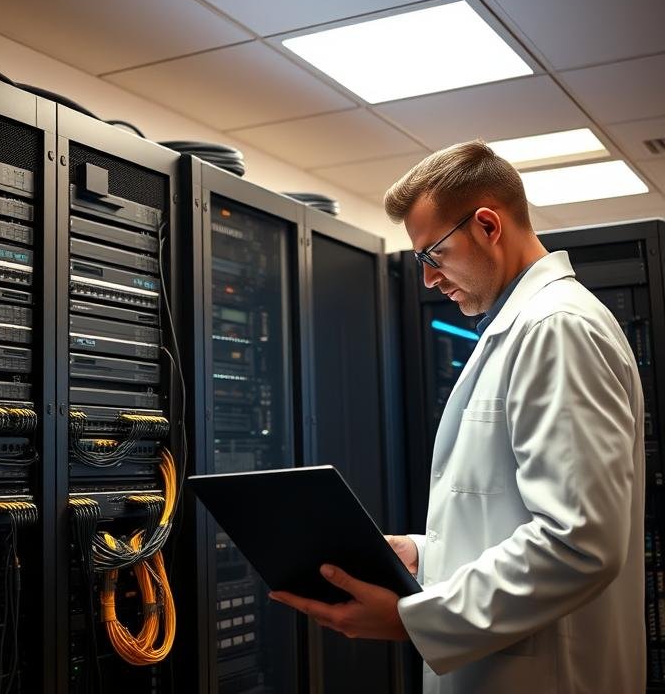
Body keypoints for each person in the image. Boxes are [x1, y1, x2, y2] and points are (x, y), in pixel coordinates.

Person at [270, 140, 646, 693]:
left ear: (489, 226)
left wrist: (410, 618)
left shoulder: (556, 329)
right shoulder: (522, 327)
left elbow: (579, 542)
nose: (427, 279)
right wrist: (425, 555)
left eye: (432, 256)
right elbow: (519, 516)